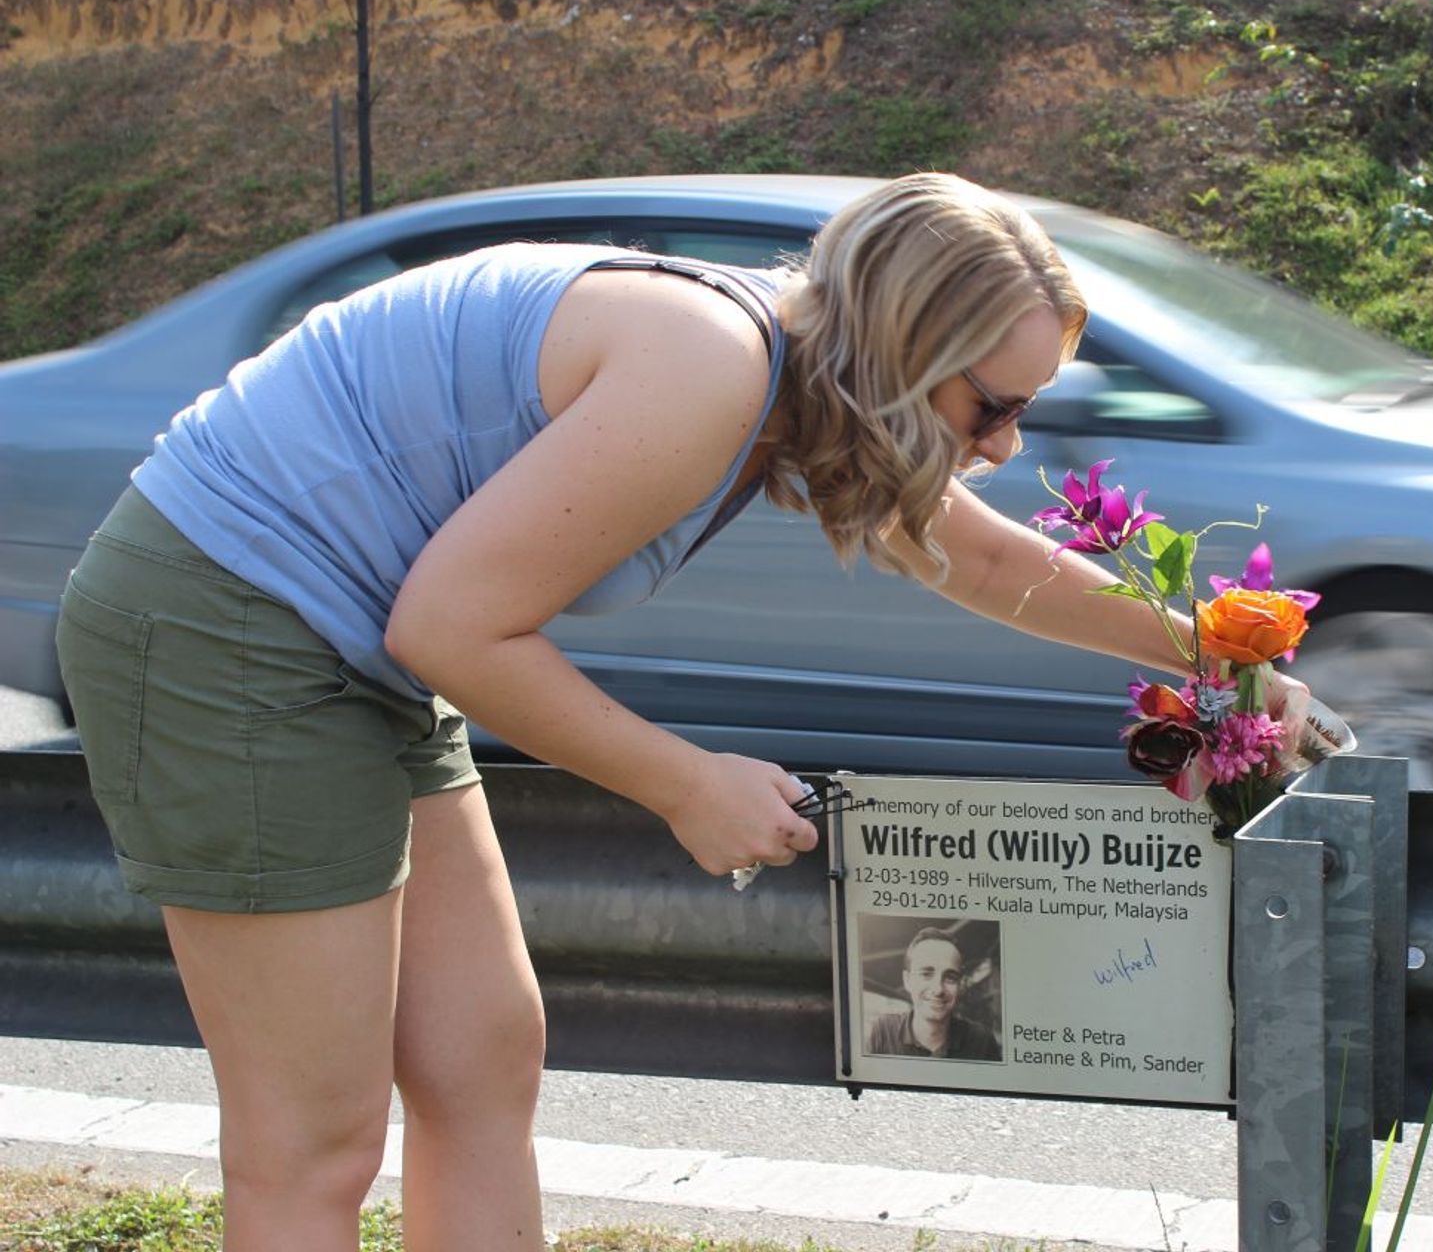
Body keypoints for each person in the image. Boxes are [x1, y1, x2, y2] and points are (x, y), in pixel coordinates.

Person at [54, 171, 1310, 1250]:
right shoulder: (708, 366)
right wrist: (683, 781)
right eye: (994, 406)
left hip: (356, 635)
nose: (1002, 446)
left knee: (479, 1059)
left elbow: (984, 561)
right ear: (906, 351)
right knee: (311, 1139)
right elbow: (450, 627)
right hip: (230, 622)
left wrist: (1215, 650)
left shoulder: (784, 381)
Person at [866, 926, 1002, 1060]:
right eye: (926, 974)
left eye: (950, 977)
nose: (938, 989)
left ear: (960, 985)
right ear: (907, 980)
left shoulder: (982, 1042)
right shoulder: (884, 1031)